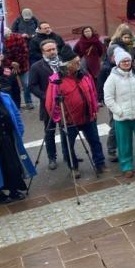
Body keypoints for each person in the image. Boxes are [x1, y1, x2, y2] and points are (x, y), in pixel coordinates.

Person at [45, 47, 107, 178]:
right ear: (67, 66)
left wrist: (94, 108)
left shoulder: (84, 74)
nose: (79, 64)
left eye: (79, 61)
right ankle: (73, 167)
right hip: (69, 121)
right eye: (76, 62)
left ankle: (100, 163)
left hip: (88, 116)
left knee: (95, 141)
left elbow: (92, 92)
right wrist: (58, 119)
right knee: (68, 146)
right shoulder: (56, 80)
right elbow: (51, 103)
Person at [0, 72, 36, 203]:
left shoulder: (5, 97)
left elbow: (16, 115)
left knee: (13, 166)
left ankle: (14, 190)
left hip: (8, 139)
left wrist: (19, 131)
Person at [103, 50, 135, 178]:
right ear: (118, 63)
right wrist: (119, 111)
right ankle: (127, 166)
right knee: (124, 143)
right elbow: (108, 98)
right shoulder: (112, 78)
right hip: (122, 117)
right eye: (123, 61)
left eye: (128, 60)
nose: (126, 63)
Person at [29, 39, 63, 170]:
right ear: (43, 52)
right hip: (48, 105)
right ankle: (52, 157)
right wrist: (46, 97)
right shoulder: (36, 66)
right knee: (50, 132)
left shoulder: (63, 62)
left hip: (65, 103)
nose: (52, 52)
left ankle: (69, 155)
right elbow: (32, 86)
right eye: (49, 50)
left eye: (54, 49)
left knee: (68, 131)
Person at [3, 28, 33, 109]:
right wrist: (11, 64)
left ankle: (29, 102)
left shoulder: (19, 37)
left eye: (8, 35)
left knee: (26, 84)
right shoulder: (0, 41)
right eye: (5, 36)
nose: (7, 37)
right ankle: (14, 105)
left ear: (10, 33)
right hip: (8, 67)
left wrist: (17, 64)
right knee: (11, 86)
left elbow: (25, 52)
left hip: (22, 64)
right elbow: (2, 56)